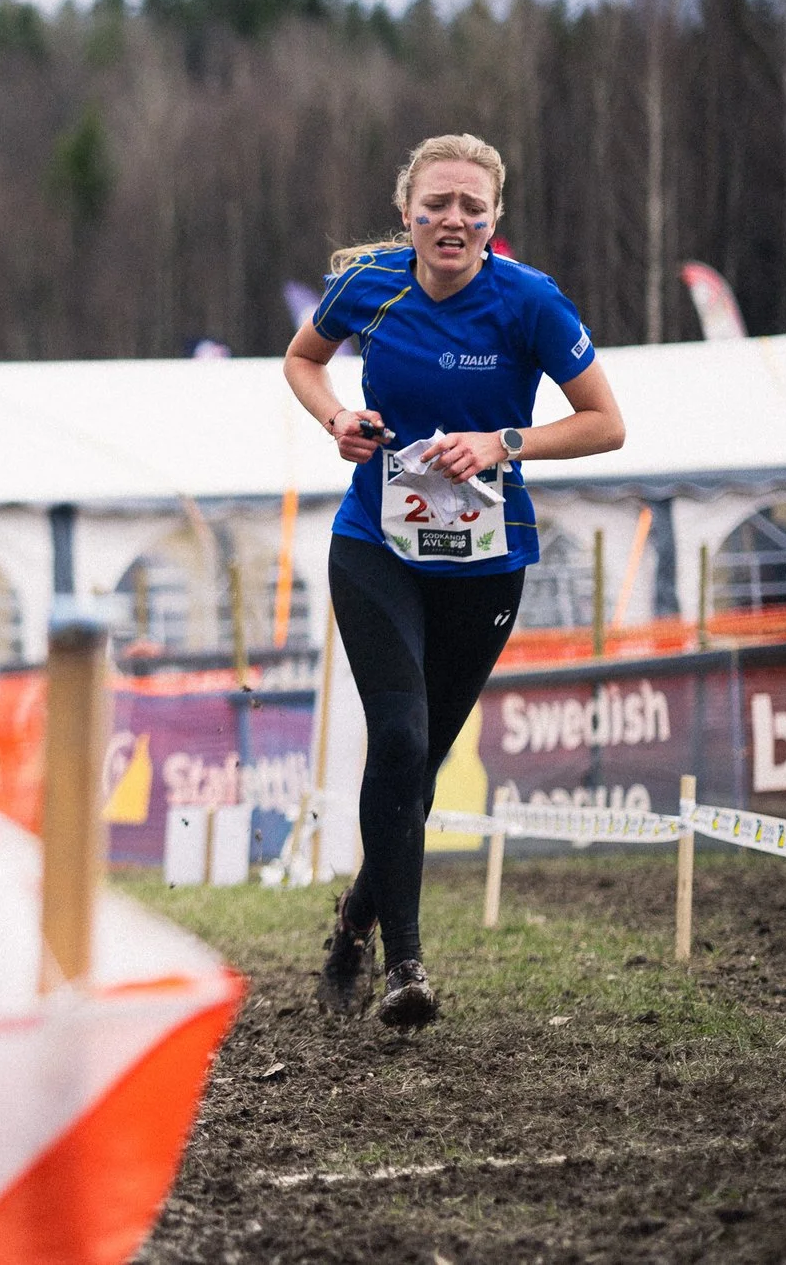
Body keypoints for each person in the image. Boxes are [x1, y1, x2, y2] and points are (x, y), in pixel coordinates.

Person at [283, 133, 624, 1028]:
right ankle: (406, 968)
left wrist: (505, 442)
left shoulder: (530, 302)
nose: (454, 220)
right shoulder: (371, 285)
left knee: (421, 765)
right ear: (408, 211)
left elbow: (606, 423)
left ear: (494, 219)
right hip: (376, 548)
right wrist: (339, 421)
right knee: (396, 737)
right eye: (437, 203)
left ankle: (356, 915)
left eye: (473, 206)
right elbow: (302, 360)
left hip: (486, 564)